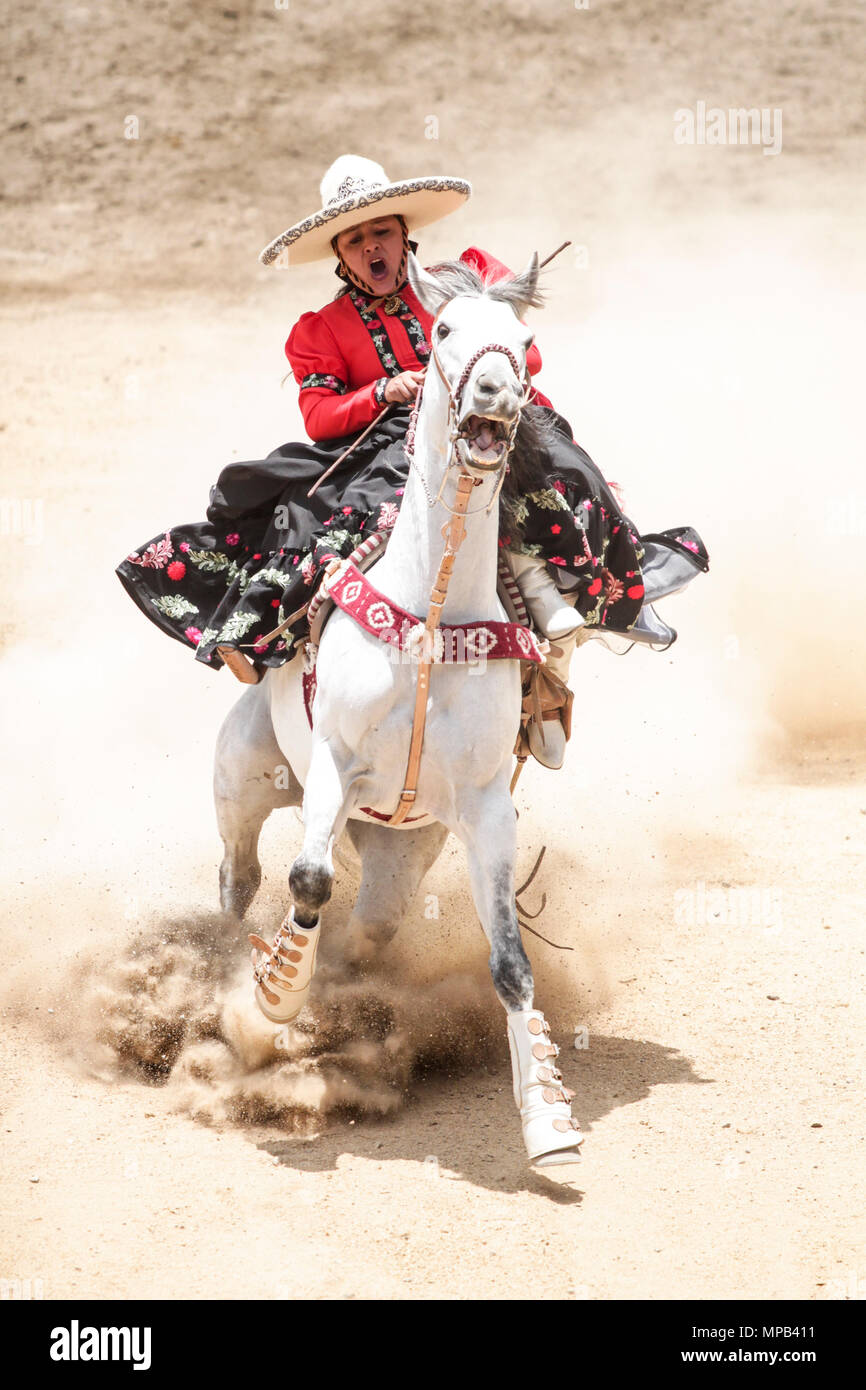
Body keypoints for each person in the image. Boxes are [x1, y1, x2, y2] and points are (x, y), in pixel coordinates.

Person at [116, 155, 708, 769]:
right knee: (342, 519)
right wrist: (383, 390)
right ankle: (284, 634)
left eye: (382, 232)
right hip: (390, 443)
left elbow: (526, 362)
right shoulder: (321, 329)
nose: (372, 246)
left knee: (565, 468)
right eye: (355, 239)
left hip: (497, 420)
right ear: (340, 256)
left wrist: (473, 373)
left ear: (405, 236)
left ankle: (569, 652)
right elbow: (319, 418)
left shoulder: (470, 279)